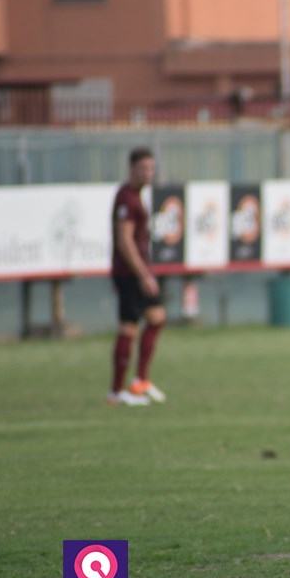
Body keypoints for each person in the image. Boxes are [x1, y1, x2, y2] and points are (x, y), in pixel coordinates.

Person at [107, 147, 167, 406]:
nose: (148, 173)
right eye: (143, 168)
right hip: (129, 273)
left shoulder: (136, 197)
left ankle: (140, 380)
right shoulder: (127, 199)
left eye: (151, 168)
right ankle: (116, 391)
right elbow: (124, 241)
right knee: (128, 327)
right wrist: (143, 274)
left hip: (138, 272)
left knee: (156, 317)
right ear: (131, 169)